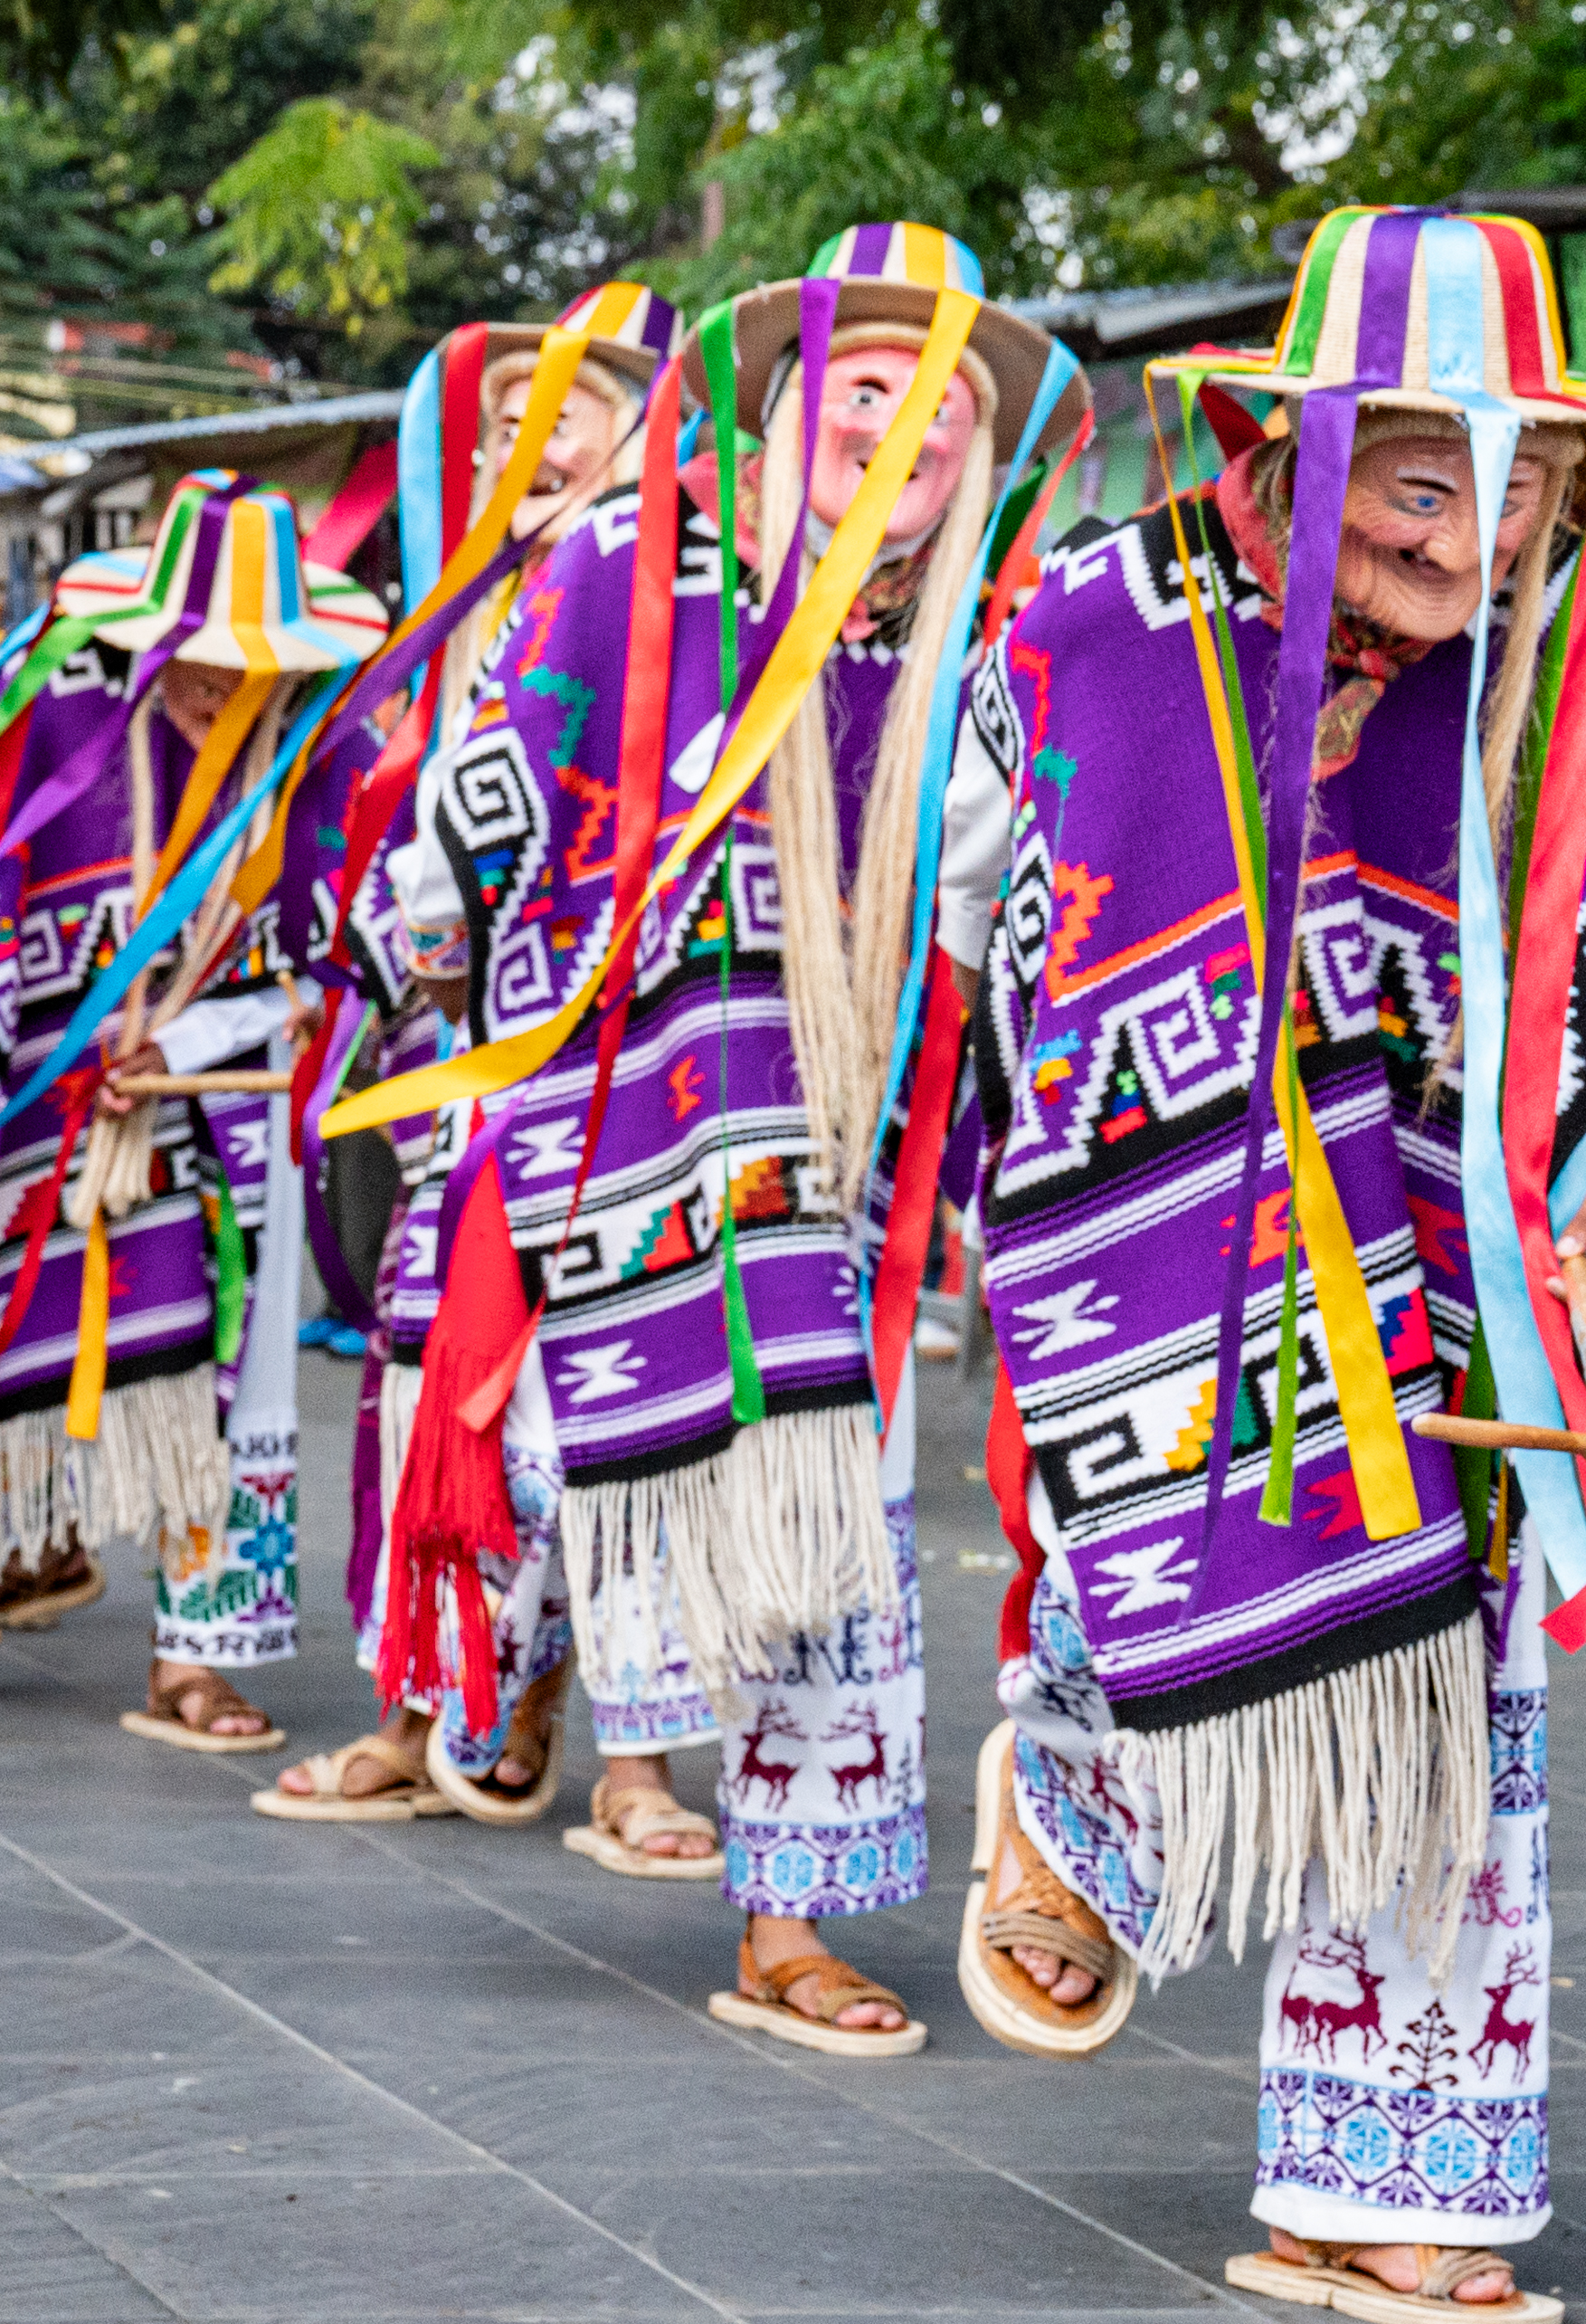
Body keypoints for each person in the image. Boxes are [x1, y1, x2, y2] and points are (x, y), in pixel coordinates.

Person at [962, 202, 1586, 2324]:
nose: (1470, 538)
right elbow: (974, 874)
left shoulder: (1569, 653)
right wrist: (1066, 1092)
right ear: (1286, 455)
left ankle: (1383, 2170)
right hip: (1167, 1200)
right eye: (1415, 481)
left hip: (1450, 1231)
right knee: (1167, 1562)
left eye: (1522, 488)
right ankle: (1086, 1795)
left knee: (1434, 1682)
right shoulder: (1099, 612)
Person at [349, 229, 1085, 2045]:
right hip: (606, 1117)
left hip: (834, 1173)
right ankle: (512, 1678)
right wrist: (431, 950)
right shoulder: (628, 565)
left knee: (826, 1522)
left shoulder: (983, 641)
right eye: (866, 388)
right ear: (782, 401)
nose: (903, 425)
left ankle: (787, 1917)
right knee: (549, 1460)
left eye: (943, 408)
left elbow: (1001, 909)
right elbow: (472, 809)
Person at [254, 293, 693, 1843]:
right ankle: (420, 1699)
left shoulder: (709, 592)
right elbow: (406, 851)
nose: (530, 435)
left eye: (568, 405)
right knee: (429, 1383)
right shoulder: (463, 618)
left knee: (643, 1410)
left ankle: (633, 1756)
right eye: (509, 413)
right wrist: (406, 944)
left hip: (655, 1075)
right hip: (468, 1068)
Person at [0, 477, 382, 1747]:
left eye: (243, 663)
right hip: (46, 1086)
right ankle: (16, 1540)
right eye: (191, 659)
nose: (211, 684)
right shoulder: (55, 721)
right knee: (13, 1326)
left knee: (232, 1379)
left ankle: (192, 1653)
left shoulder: (318, 753)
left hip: (227, 1100)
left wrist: (199, 1030)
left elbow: (336, 949)